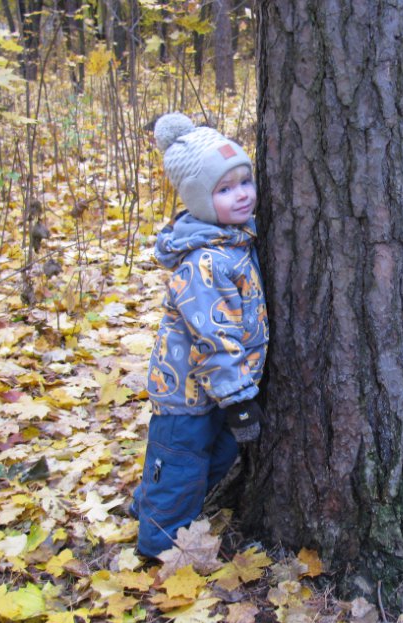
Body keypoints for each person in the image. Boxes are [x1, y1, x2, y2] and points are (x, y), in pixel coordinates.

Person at [130, 113, 269, 557]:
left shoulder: (235, 241)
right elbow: (214, 336)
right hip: (187, 395)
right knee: (180, 469)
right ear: (198, 201)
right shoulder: (203, 263)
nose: (242, 195)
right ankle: (156, 550)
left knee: (213, 460)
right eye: (224, 190)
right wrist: (240, 400)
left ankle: (150, 509)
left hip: (218, 391)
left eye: (244, 181)